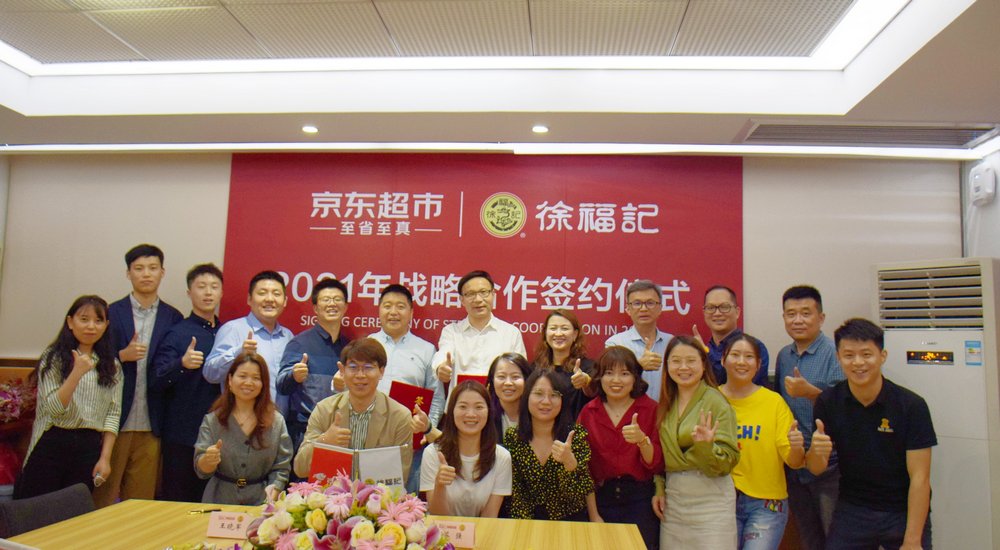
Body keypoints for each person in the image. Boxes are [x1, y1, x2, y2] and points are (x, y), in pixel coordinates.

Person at [807, 318, 935, 550]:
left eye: (866, 354)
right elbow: (816, 468)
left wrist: (912, 540)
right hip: (853, 510)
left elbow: (920, 478)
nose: (858, 363)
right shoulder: (828, 402)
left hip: (902, 510)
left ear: (882, 356)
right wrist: (816, 451)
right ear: (838, 357)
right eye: (849, 355)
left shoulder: (911, 406)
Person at [95, 244, 183, 508]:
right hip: (113, 423)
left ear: (162, 272)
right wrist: (121, 356)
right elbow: (92, 361)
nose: (146, 274)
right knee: (102, 498)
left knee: (140, 503)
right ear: (128, 273)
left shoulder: (173, 317)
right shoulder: (111, 313)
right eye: (139, 268)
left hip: (152, 423)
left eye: (153, 268)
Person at [15, 296, 123, 500]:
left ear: (106, 325)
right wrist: (76, 373)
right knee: (38, 509)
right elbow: (55, 410)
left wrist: (105, 458)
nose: (91, 326)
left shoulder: (112, 365)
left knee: (73, 510)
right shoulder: (53, 358)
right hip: (52, 441)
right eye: (84, 319)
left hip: (89, 446)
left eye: (98, 320)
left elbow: (113, 413)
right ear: (70, 322)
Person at [652, 335, 739, 549]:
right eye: (676, 361)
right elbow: (660, 455)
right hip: (674, 501)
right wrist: (659, 488)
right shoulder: (666, 403)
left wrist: (706, 447)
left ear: (703, 364)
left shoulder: (716, 401)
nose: (683, 367)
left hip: (711, 500)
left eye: (691, 361)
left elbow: (728, 461)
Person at [719, 334, 805, 550]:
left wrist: (797, 447)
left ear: (758, 365)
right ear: (723, 360)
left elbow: (794, 461)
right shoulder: (711, 399)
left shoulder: (773, 402)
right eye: (735, 355)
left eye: (749, 357)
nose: (741, 361)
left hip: (766, 504)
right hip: (721, 501)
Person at [774, 285, 843, 550]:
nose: (798, 320)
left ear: (821, 317)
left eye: (806, 313)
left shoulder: (835, 353)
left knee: (835, 537)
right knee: (808, 537)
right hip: (795, 464)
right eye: (791, 314)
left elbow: (845, 407)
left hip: (830, 466)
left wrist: (810, 393)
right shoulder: (784, 355)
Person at [151, 263, 224, 502]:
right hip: (183, 435)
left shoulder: (228, 332)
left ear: (222, 292)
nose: (208, 292)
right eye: (201, 286)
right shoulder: (177, 332)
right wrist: (181, 363)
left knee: (211, 501)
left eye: (214, 287)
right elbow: (156, 379)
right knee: (180, 501)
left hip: (219, 434)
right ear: (189, 292)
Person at [578, 346, 663, 550]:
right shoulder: (589, 412)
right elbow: (583, 469)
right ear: (599, 377)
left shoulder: (651, 409)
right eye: (609, 373)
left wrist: (642, 441)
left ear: (635, 378)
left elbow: (656, 464)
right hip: (601, 499)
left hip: (640, 500)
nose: (616, 380)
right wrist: (594, 515)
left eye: (624, 374)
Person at [293, 338, 413, 480]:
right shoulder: (324, 410)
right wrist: (324, 441)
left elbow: (400, 477)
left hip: (377, 493)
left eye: (368, 367)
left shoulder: (400, 417)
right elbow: (300, 468)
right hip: (330, 493)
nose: (360, 375)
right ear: (342, 371)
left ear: (381, 372)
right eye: (353, 367)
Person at [369, 283, 443, 494]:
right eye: (387, 306)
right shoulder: (367, 345)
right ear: (379, 310)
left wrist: (427, 428)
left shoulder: (426, 349)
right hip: (370, 440)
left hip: (410, 441)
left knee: (407, 504)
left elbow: (437, 396)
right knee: (367, 501)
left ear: (411, 312)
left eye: (400, 306)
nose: (393, 312)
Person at [194, 353, 292, 505]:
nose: (248, 382)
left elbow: (282, 467)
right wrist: (207, 460)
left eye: (256, 378)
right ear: (230, 380)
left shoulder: (276, 421)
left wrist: (275, 489)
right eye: (242, 376)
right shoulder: (213, 420)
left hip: (261, 502)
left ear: (263, 384)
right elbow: (201, 470)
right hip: (219, 500)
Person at [503, 369, 594, 521]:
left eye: (554, 395)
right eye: (538, 394)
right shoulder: (513, 437)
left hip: (569, 520)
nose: (546, 401)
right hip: (526, 521)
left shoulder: (575, 435)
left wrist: (570, 463)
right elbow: (516, 494)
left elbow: (579, 495)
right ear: (526, 397)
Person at [276, 278, 349, 456]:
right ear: (315, 308)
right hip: (305, 432)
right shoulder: (299, 343)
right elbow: (281, 385)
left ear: (345, 307)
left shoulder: (349, 347)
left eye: (337, 299)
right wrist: (294, 376)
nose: (332, 304)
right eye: (326, 299)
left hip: (340, 434)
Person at [421, 381, 512, 517]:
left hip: (483, 529)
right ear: (452, 411)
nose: (470, 414)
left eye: (479, 407)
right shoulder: (433, 453)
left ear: (489, 412)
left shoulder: (501, 457)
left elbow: (489, 516)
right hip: (442, 529)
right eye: (463, 407)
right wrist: (439, 485)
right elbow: (437, 515)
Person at [205, 270, 292, 408]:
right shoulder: (233, 329)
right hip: (241, 418)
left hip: (280, 420)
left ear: (285, 301)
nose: (270, 299)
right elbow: (210, 374)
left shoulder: (288, 336)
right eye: (262, 293)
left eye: (276, 294)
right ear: (249, 299)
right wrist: (238, 353)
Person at [433, 270, 526, 388]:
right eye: (470, 294)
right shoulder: (451, 331)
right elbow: (443, 354)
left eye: (483, 292)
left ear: (493, 294)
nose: (478, 299)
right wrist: (440, 367)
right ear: (462, 300)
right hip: (462, 398)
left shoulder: (511, 333)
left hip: (497, 399)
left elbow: (520, 372)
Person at [605, 279, 673, 401]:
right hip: (629, 410)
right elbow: (610, 381)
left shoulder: (672, 342)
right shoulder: (615, 343)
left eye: (650, 303)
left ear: (660, 308)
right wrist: (638, 366)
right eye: (637, 303)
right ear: (628, 309)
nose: (643, 309)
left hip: (666, 411)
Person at [695, 285, 770, 386]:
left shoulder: (755, 347)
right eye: (710, 308)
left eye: (724, 307)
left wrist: (706, 354)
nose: (717, 313)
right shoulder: (704, 349)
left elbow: (740, 385)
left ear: (737, 312)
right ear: (704, 312)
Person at [532, 309, 595, 419]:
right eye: (553, 328)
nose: (558, 333)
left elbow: (594, 391)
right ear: (545, 333)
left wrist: (585, 381)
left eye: (564, 328)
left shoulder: (587, 367)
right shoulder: (535, 368)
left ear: (575, 334)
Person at [487, 353, 533, 437]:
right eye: (501, 377)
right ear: (492, 380)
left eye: (515, 377)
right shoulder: (486, 416)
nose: (508, 383)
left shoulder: (536, 415)